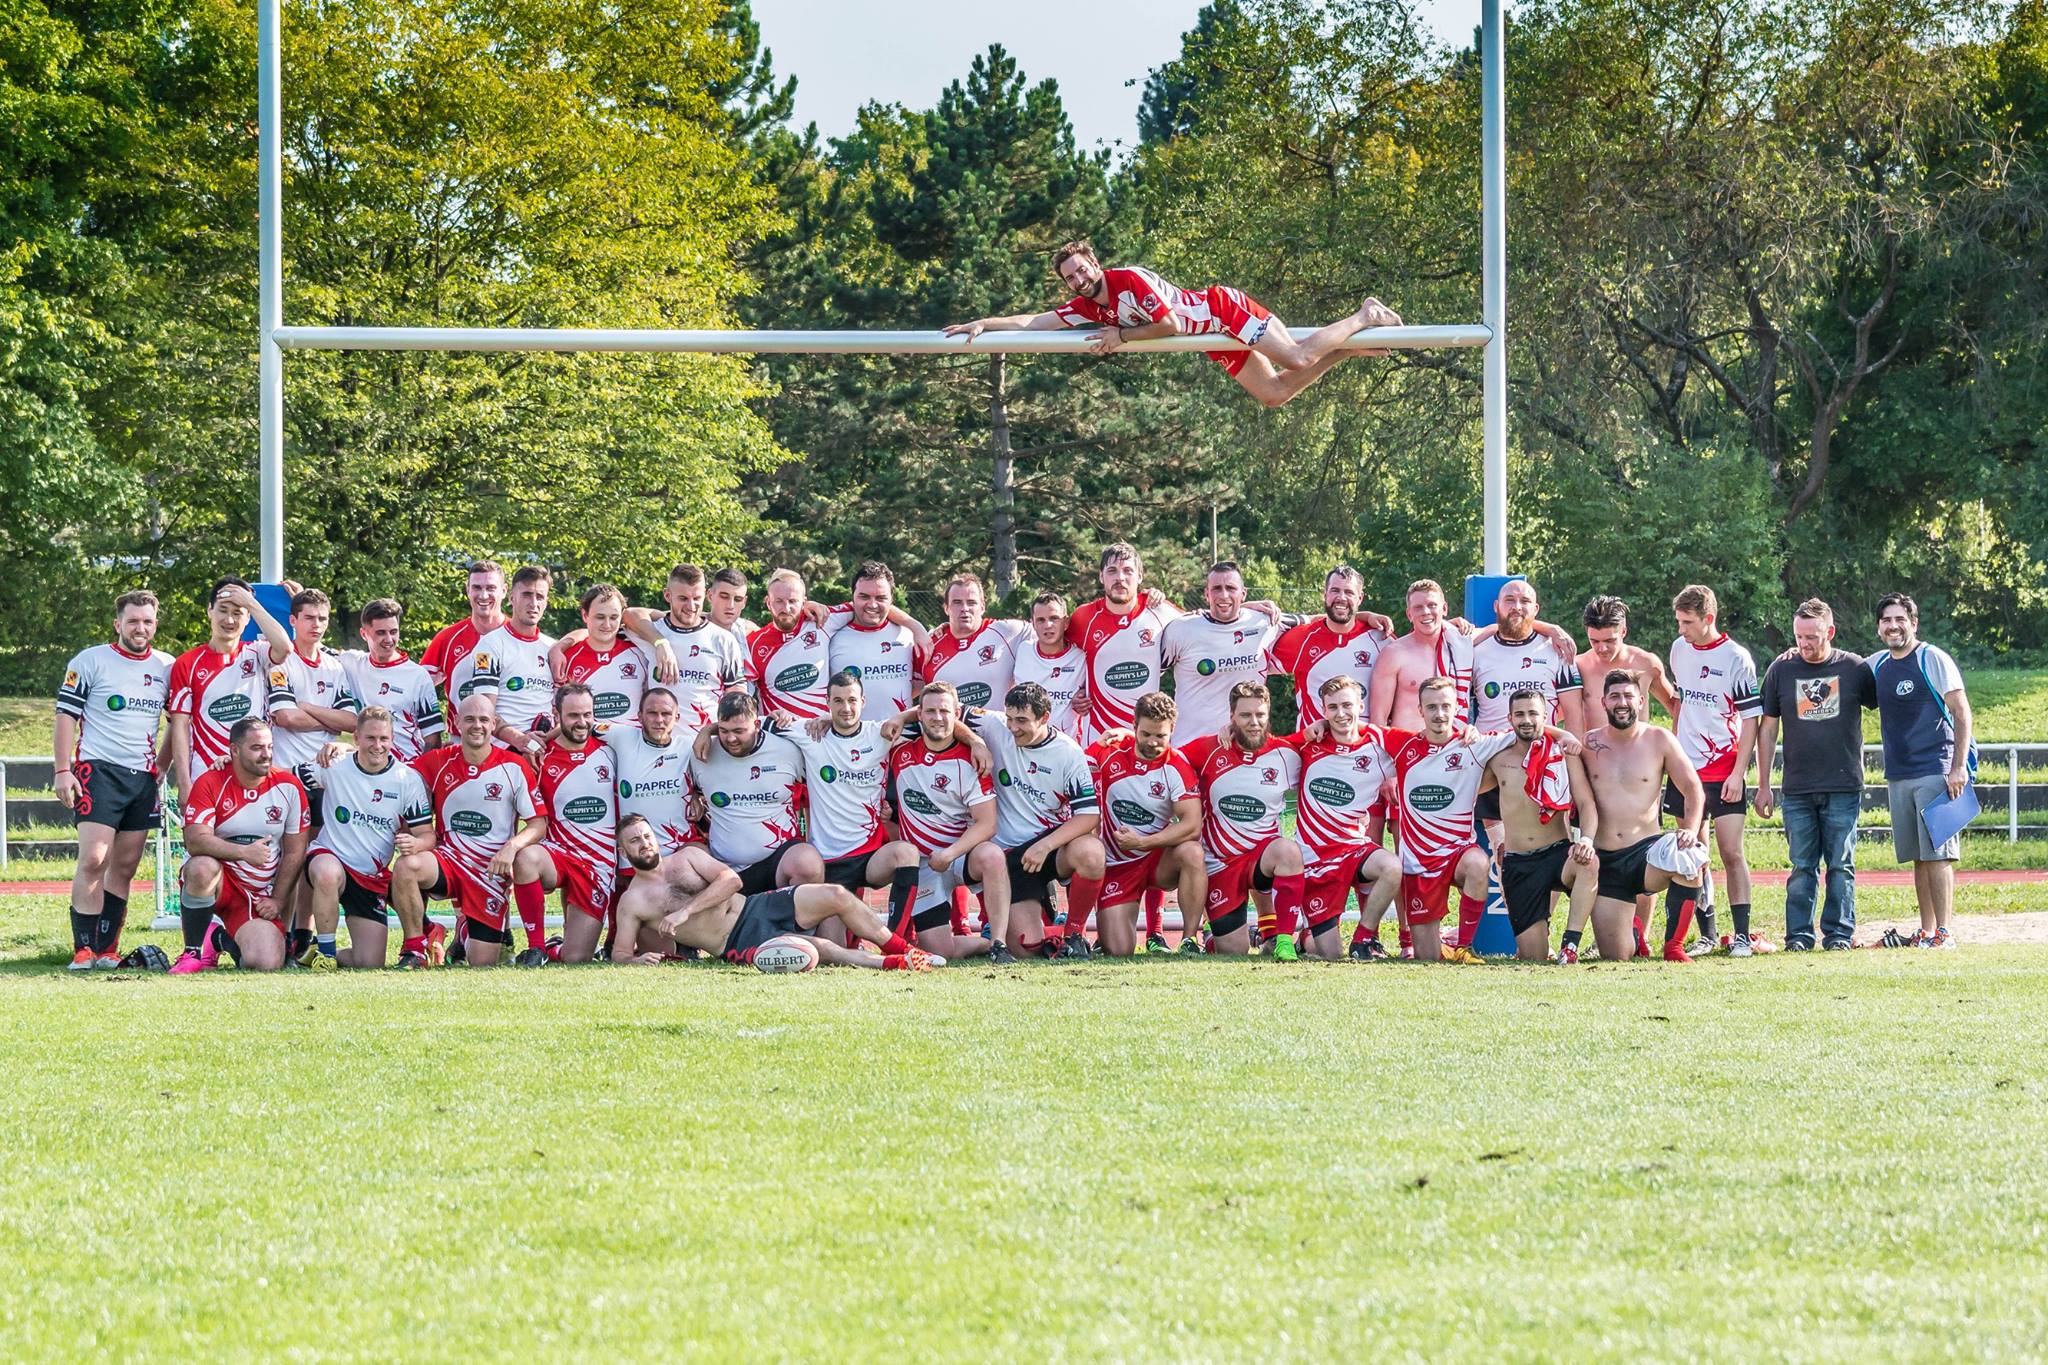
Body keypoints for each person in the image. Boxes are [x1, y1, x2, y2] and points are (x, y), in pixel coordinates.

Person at [944, 239, 1401, 408]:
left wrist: (1120, 335)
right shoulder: (1087, 307)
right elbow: (1032, 323)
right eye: (1070, 277)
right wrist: (985, 322)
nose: (1079, 279)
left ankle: (1366, 313)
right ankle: (1342, 349)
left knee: (1299, 356)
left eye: (1082, 269)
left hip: (1221, 312)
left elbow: (1168, 325)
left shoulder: (1128, 280)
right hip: (1208, 339)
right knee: (1275, 394)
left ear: (1095, 263)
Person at [609, 821, 937, 971]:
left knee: (836, 894)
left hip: (756, 905)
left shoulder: (686, 857)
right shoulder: (633, 901)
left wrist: (685, 912)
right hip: (735, 943)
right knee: (821, 949)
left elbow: (731, 880)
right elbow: (620, 953)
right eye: (635, 841)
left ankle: (903, 947)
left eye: (647, 836)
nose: (645, 843)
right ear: (623, 850)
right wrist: (635, 960)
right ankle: (897, 963)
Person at [55, 590, 175, 969]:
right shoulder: (90, 661)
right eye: (133, 621)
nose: (141, 628)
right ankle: (83, 949)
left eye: (148, 621)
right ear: (118, 624)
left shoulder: (166, 666)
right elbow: (65, 717)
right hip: (98, 770)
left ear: (156, 624)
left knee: (124, 867)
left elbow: (178, 722)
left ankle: (107, 949)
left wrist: (163, 765)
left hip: (142, 778)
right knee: (93, 859)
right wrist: (62, 770)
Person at [389, 692, 547, 968]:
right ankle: (415, 949)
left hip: (490, 871)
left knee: (483, 962)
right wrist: (345, 751)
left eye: (484, 720)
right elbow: (389, 771)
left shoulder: (514, 766)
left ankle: (463, 933)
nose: (477, 725)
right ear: (457, 723)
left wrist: (511, 848)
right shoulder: (437, 761)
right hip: (448, 862)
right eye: (470, 719)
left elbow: (538, 824)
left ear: (494, 723)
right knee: (407, 866)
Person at [1373, 677, 1522, 963]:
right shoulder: (1402, 744)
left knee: (1479, 862)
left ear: (1457, 709)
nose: (1439, 714)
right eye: (1431, 707)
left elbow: (1524, 729)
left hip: (1457, 854)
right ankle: (1439, 944)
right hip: (1418, 864)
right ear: (1420, 710)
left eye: (1445, 706)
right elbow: (1357, 730)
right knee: (1427, 958)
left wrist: (1563, 736)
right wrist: (1319, 727)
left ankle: (1463, 947)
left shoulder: (1472, 745)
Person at [954, 683, 1106, 957]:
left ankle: (1074, 935)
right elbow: (943, 711)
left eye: (1022, 720)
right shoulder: (994, 725)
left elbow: (1088, 815)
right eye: (1010, 718)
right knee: (1027, 949)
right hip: (1009, 859)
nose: (1013, 727)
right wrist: (976, 741)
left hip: (1047, 850)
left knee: (1091, 852)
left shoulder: (1069, 753)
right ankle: (1050, 928)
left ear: (1045, 717)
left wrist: (1045, 846)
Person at [1755, 599, 1873, 950]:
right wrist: (1763, 784)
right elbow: (1767, 729)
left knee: (1841, 864)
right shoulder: (1781, 670)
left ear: (1830, 632)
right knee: (1802, 866)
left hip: (1843, 784)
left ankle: (1839, 935)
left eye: (1812, 637)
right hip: (1797, 788)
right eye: (1799, 637)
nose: (1805, 644)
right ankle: (1799, 937)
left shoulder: (1855, 668)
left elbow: (1889, 708)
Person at [1573, 671, 1712, 963]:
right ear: (1604, 702)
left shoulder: (1660, 739)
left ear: (1641, 700)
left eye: (1627, 696)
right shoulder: (1588, 744)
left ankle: (1674, 946)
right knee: (1617, 955)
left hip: (1647, 854)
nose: (1621, 702)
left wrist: (1689, 828)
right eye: (1614, 696)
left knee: (1689, 858)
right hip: (1606, 860)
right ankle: (1634, 935)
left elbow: (1693, 789)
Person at [779, 670, 927, 937]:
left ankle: (898, 941)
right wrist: (708, 731)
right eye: (838, 701)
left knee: (906, 853)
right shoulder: (810, 733)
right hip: (827, 863)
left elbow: (935, 713)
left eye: (852, 700)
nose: (846, 708)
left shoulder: (882, 733)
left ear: (863, 702)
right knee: (836, 950)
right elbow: (752, 725)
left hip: (869, 857)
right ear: (827, 703)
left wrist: (901, 716)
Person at [1869, 592, 1973, 948]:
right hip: (1899, 773)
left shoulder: (1933, 658)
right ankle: (1926, 931)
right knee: (1918, 856)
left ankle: (1944, 932)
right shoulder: (1878, 664)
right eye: (1886, 620)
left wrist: (1958, 767)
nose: (1893, 626)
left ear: (1914, 623)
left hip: (1936, 769)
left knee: (1938, 854)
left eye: (1900, 619)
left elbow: (1962, 713)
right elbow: (1837, 668)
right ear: (1879, 626)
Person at [298, 706, 433, 971]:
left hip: (370, 878)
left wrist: (416, 844)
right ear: (356, 737)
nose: (378, 745)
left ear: (392, 739)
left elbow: (427, 835)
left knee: (369, 963)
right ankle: (325, 952)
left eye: (384, 739)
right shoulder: (333, 766)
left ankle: (316, 955)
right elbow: (282, 777)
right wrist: (228, 766)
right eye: (370, 738)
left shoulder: (407, 780)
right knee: (326, 872)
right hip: (330, 858)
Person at [1668, 584, 1763, 955]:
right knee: (1694, 852)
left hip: (1724, 770)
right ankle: (1708, 933)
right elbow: (1681, 702)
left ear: (1709, 618)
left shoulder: (1737, 658)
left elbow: (1751, 720)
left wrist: (1740, 773)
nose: (1681, 630)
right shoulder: (1679, 650)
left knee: (1731, 851)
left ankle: (1741, 934)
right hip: (1686, 771)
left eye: (1687, 622)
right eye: (1678, 621)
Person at [884, 682, 1009, 961]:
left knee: (992, 855)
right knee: (940, 952)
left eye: (944, 711)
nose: (938, 717)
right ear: (919, 715)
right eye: (930, 711)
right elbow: (851, 725)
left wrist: (950, 853)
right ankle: (983, 945)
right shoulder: (899, 751)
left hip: (960, 856)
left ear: (956, 713)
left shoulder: (973, 759)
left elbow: (988, 824)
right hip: (924, 865)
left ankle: (999, 944)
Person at [1181, 682, 1306, 958]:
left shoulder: (1286, 754)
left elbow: (1323, 744)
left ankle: (1283, 941)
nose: (1254, 722)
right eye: (1245, 715)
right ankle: (1215, 932)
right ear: (1231, 716)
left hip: (1262, 859)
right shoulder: (1208, 749)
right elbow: (1164, 755)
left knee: (1288, 850)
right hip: (1221, 864)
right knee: (1233, 951)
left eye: (1260, 715)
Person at [177, 717, 310, 973]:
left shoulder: (288, 786)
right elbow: (194, 841)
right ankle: (192, 952)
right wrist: (243, 853)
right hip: (220, 883)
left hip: (257, 896)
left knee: (265, 963)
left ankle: (218, 939)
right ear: (234, 750)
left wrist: (277, 901)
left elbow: (295, 852)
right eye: (257, 748)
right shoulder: (210, 781)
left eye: (270, 747)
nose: (266, 755)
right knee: (201, 867)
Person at [1480, 689, 1600, 962]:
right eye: (1519, 714)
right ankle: (1538, 943)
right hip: (1519, 862)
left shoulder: (1562, 753)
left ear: (1546, 717)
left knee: (1587, 862)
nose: (1526, 720)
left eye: (1533, 713)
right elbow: (1467, 791)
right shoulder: (1498, 759)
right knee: (1532, 957)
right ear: (1509, 718)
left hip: (1557, 852)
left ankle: (1570, 946)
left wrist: (1586, 840)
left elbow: (1587, 803)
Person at [1292, 677, 1404, 960]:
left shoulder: (1379, 742)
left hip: (1353, 849)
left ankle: (1364, 939)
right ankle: (1305, 936)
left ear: (1360, 706)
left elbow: (1426, 744)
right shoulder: (1308, 744)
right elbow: (1265, 745)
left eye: (1347, 705)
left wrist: (1468, 732)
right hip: (1314, 860)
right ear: (1323, 710)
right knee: (1328, 954)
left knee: (1392, 867)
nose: (1341, 714)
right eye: (1333, 708)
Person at [1087, 693, 1205, 957]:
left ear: (1172, 730)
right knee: (1118, 950)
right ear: (1134, 725)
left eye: (1160, 736)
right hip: (1116, 866)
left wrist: (1143, 842)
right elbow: (1074, 765)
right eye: (1146, 734)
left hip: (1156, 860)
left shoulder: (1177, 766)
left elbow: (1192, 825)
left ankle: (1189, 940)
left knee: (1193, 853)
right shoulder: (1109, 750)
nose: (1152, 742)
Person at [509, 683, 618, 964]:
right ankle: (537, 949)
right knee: (526, 858)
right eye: (572, 716)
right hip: (559, 853)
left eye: (587, 714)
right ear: (556, 714)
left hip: (598, 864)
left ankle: (557, 947)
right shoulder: (538, 758)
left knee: (575, 958)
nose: (581, 722)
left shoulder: (613, 749)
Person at [167, 579, 292, 805]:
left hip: (252, 773)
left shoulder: (257, 652)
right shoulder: (187, 663)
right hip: (205, 773)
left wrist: (252, 604)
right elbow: (180, 727)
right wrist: (184, 784)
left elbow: (284, 648)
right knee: (203, 841)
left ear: (248, 618)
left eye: (238, 612)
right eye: (223, 611)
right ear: (209, 610)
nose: (230, 620)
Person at [687, 691, 822, 895]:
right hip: (723, 868)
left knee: (808, 863)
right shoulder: (702, 753)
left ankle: (797, 925)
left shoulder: (789, 748)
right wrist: (693, 797)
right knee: (683, 868)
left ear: (757, 725)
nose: (731, 738)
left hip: (778, 861)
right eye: (723, 730)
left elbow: (834, 731)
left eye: (739, 731)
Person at [1158, 561, 1291, 746]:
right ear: (1206, 594)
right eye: (1217, 589)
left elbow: (1317, 624)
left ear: (1243, 593)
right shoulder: (1181, 629)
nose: (1224, 595)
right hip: (1190, 748)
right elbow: (1150, 676)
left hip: (1242, 747)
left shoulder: (1265, 621)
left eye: (1231, 588)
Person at [1069, 543, 1181, 745]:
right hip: (1098, 738)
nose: (1120, 578)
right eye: (1112, 571)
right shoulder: (1083, 617)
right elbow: (1056, 657)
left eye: (1127, 571)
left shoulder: (1160, 612)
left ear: (1140, 576)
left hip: (1147, 739)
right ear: (1101, 577)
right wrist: (1072, 693)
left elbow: (1206, 624)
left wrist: (1243, 608)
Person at [1265, 565, 1394, 734]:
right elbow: (1251, 663)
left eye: (1349, 592)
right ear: (1324, 594)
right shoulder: (1302, 638)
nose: (1341, 597)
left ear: (1360, 598)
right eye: (1335, 590)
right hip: (1315, 749)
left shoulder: (1381, 638)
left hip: (1367, 751)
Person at [470, 564, 560, 761]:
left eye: (540, 597)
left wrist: (541, 741)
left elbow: (566, 711)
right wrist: (520, 740)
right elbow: (484, 712)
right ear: (511, 598)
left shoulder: (553, 648)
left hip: (545, 752)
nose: (533, 603)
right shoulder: (489, 645)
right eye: (527, 594)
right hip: (502, 754)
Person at [338, 598, 445, 763]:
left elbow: (433, 740)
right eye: (381, 633)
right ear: (364, 633)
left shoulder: (418, 676)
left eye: (393, 632)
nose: (389, 639)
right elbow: (313, 648)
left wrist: (422, 777)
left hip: (407, 771)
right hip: (366, 769)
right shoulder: (351, 662)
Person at [606, 687, 698, 875]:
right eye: (652, 713)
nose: (659, 720)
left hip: (680, 848)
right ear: (640, 716)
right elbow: (580, 725)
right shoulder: (622, 736)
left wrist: (698, 794)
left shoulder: (688, 746)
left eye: (666, 714)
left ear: (677, 717)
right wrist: (535, 742)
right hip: (636, 858)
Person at [827, 561, 931, 719]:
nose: (872, 604)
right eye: (864, 596)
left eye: (881, 598)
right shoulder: (832, 638)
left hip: (901, 736)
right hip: (851, 739)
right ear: (852, 597)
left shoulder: (908, 636)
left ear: (891, 599)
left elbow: (919, 685)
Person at [1369, 579, 1477, 731]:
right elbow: (1378, 720)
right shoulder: (1394, 653)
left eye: (1432, 605)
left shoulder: (1460, 642)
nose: (1426, 612)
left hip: (1452, 748)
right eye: (1418, 607)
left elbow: (1499, 630)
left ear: (1444, 608)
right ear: (1409, 614)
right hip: (1408, 748)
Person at [924, 573, 1031, 711]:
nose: (964, 608)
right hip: (953, 732)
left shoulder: (1008, 631)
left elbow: (1051, 633)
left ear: (982, 606)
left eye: (971, 602)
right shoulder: (929, 644)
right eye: (957, 602)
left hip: (1001, 730)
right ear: (946, 608)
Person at [552, 583, 650, 732]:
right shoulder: (567, 657)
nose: (607, 624)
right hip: (588, 747)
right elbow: (557, 711)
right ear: (585, 615)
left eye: (614, 617)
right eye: (600, 617)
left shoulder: (640, 654)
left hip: (633, 745)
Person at [422, 560, 508, 725]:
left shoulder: (516, 637)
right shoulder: (447, 638)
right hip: (461, 740)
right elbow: (418, 689)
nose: (483, 595)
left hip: (510, 743)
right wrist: (431, 732)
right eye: (476, 587)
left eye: (491, 588)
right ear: (467, 590)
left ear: (504, 591)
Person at [746, 569, 836, 719]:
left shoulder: (822, 620)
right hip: (778, 735)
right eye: (779, 601)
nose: (786, 608)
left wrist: (891, 609)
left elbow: (867, 607)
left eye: (793, 601)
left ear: (804, 601)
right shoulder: (753, 643)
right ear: (768, 602)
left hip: (820, 732)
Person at [1579, 596, 1677, 715]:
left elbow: (1675, 708)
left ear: (1623, 632)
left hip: (1640, 733)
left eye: (1609, 641)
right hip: (1593, 734)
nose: (1602, 648)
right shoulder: (1578, 667)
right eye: (1594, 641)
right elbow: (1553, 712)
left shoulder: (1647, 664)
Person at [1010, 591, 1087, 737]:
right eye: (1041, 620)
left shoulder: (1080, 657)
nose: (1048, 625)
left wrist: (1083, 696)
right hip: (1028, 744)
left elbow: (1093, 692)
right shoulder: (1023, 650)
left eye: (1054, 618)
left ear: (1066, 623)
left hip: (1068, 746)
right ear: (1033, 623)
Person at [709, 567, 757, 646]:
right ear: (710, 596)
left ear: (744, 602)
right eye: (724, 597)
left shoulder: (751, 633)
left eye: (737, 599)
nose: (730, 606)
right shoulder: (691, 629)